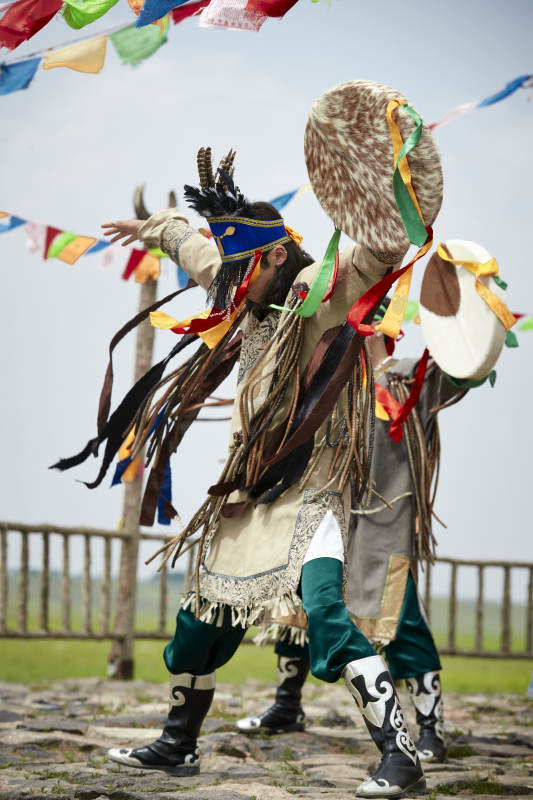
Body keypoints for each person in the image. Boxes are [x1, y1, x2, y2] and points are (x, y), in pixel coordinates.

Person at [55, 80, 446, 798]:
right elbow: (192, 244)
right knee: (199, 619)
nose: (227, 286)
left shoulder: (325, 294)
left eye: (241, 272)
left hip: (317, 491)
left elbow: (384, 245)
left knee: (326, 611)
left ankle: (399, 757)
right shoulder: (246, 287)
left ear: (270, 259)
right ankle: (177, 745)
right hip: (247, 492)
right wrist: (154, 228)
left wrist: (390, 171)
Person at [237, 303, 462, 764]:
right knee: (298, 604)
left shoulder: (413, 380)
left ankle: (431, 729)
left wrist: (474, 326)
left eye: (371, 322)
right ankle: (287, 704)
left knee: (402, 620)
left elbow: (464, 373)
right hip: (329, 516)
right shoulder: (330, 379)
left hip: (385, 525)